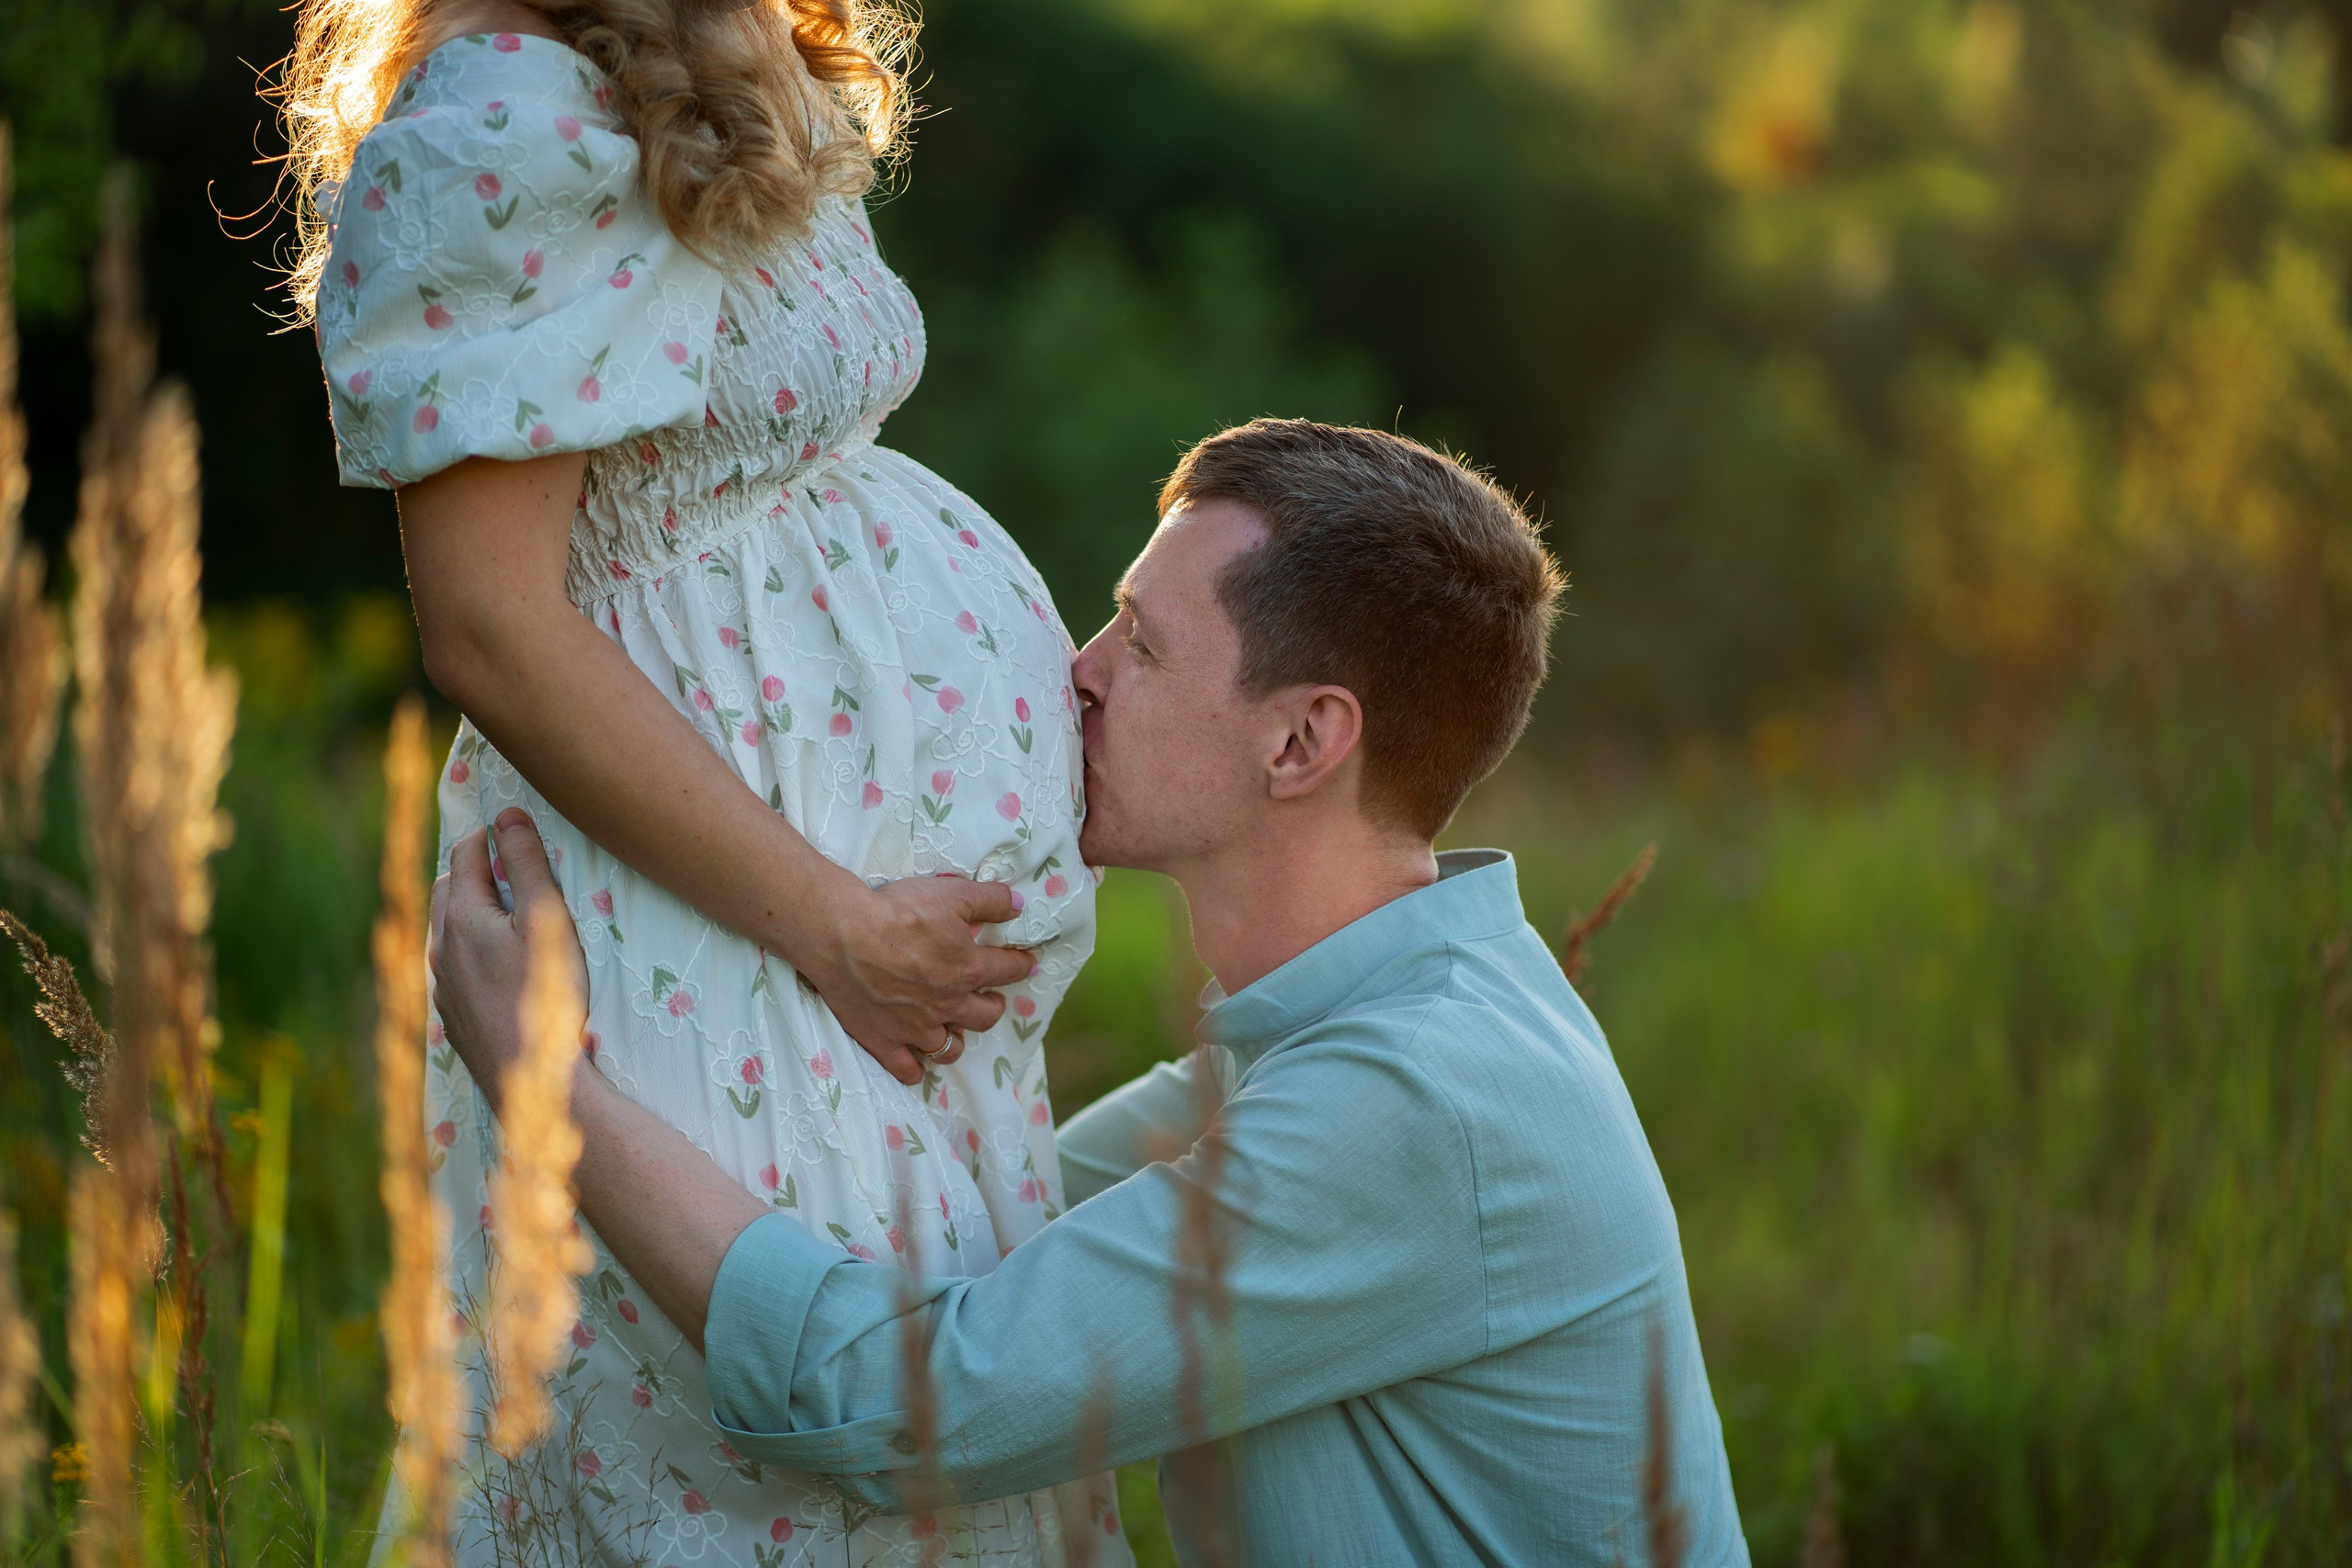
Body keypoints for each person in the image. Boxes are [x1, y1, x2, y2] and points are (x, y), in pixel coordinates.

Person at [432, 421, 1754, 1565]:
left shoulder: (1417, 1104)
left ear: (1302, 740)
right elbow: (977, 1248)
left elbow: (905, 1407)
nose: (1082, 665)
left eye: (1146, 641)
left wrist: (547, 1085)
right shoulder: (1365, 1040)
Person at [282, 0, 1125, 1559]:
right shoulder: (505, 114)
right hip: (731, 934)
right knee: (772, 1461)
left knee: (925, 1413)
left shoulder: (718, 43)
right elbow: (488, 626)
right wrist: (839, 929)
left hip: (848, 953)